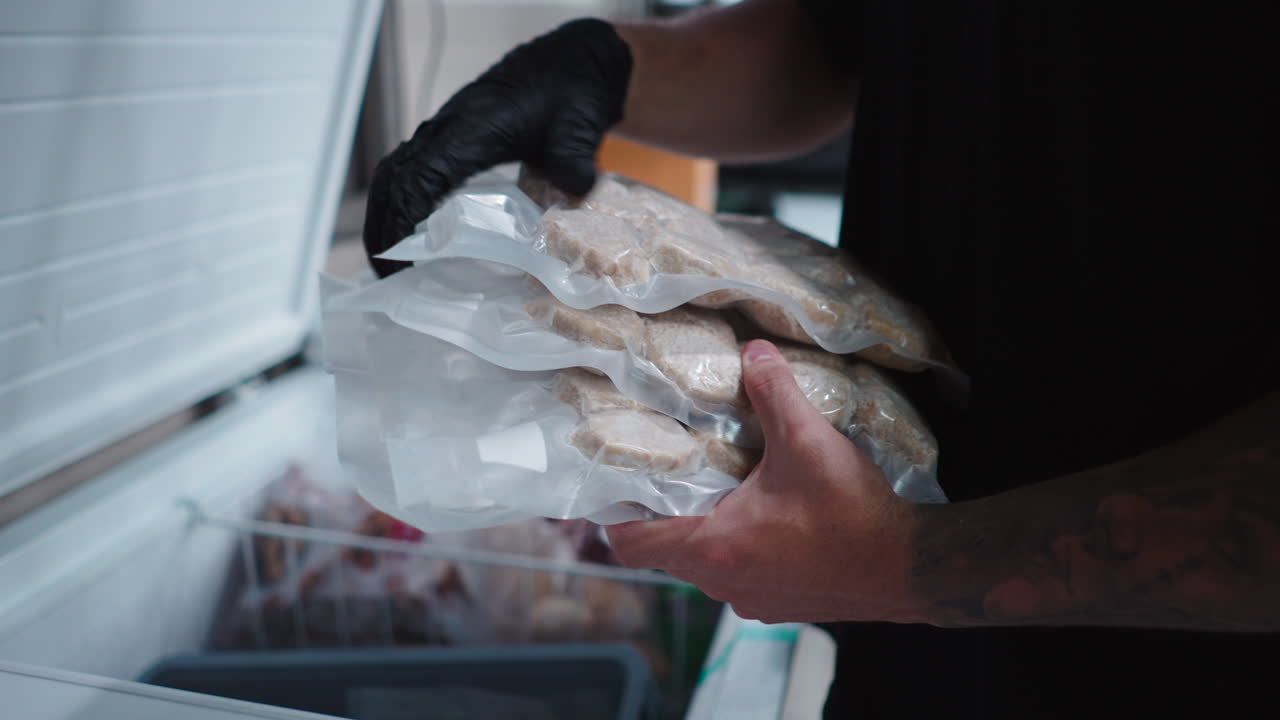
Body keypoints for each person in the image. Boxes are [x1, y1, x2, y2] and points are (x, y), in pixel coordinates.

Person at [363, 1, 1279, 717]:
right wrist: (609, 64)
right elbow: (841, 38)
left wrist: (907, 564)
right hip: (905, 660)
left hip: (1159, 676)